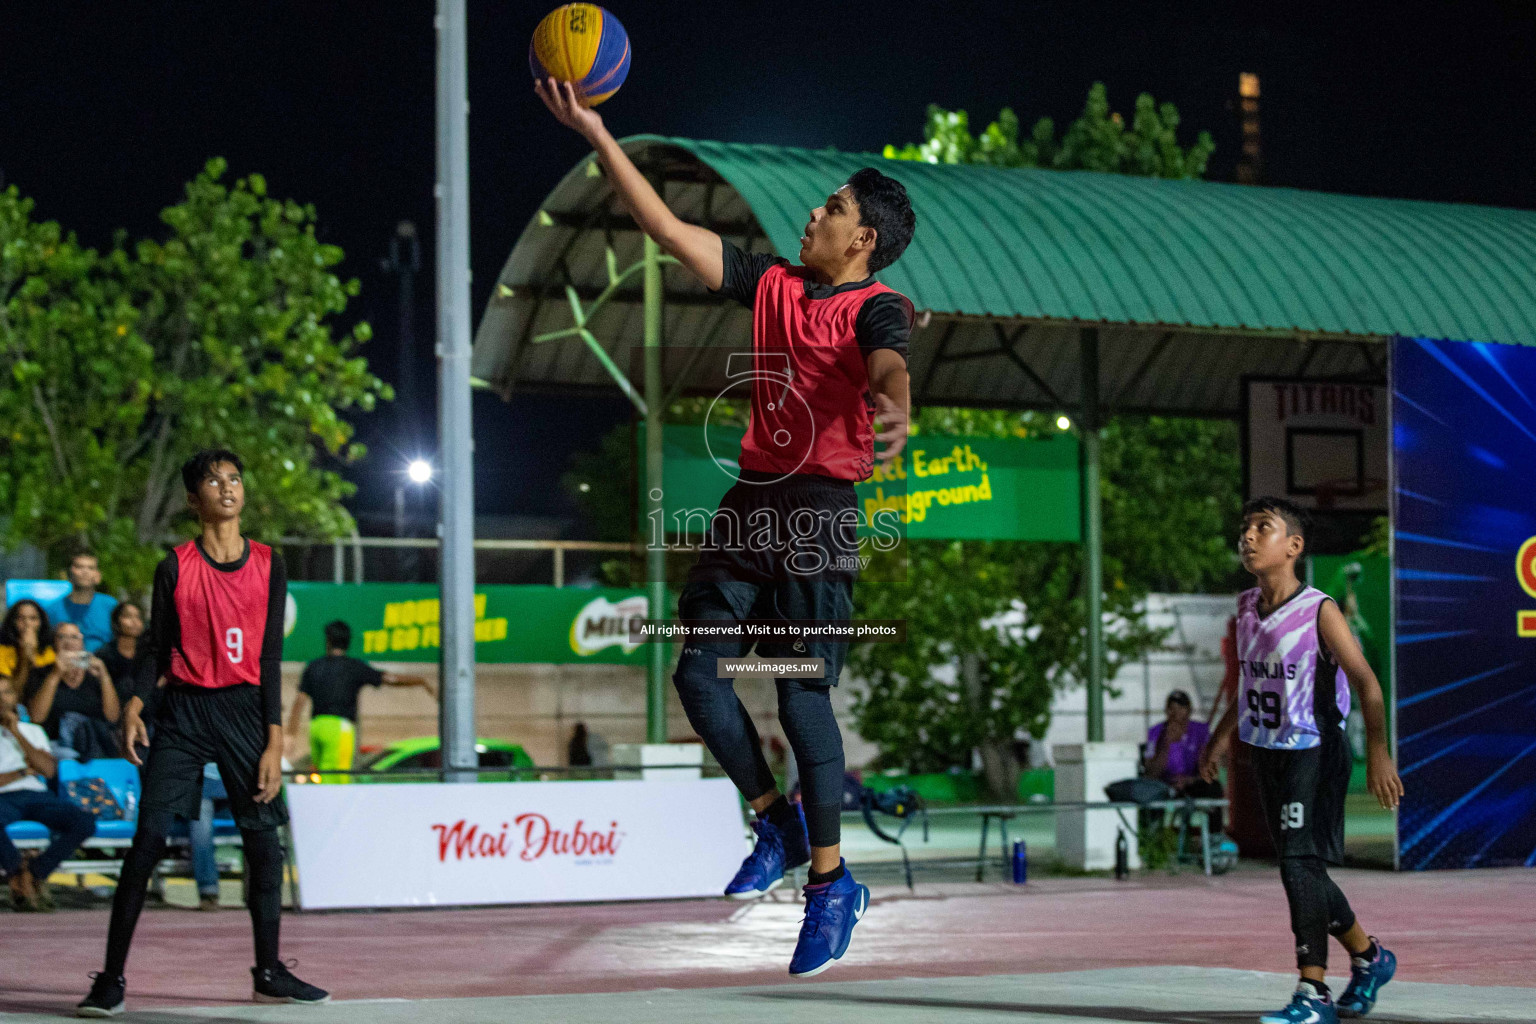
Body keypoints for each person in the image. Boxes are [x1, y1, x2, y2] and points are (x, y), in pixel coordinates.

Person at [537, 78, 915, 977]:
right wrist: (597, 131)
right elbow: (669, 231)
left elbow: (892, 365)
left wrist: (894, 406)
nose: (814, 214)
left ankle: (833, 887)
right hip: (751, 506)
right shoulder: (772, 280)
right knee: (700, 675)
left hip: (819, 516)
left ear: (861, 239)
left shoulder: (877, 306)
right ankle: (775, 817)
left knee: (796, 693)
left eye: (832, 208)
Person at [77, 448, 329, 1017]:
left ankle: (269, 972)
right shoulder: (175, 565)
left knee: (264, 843)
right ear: (195, 500)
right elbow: (158, 649)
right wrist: (138, 701)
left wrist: (273, 737)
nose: (227, 487)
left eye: (235, 478)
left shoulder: (270, 563)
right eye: (214, 481)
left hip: (245, 711)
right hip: (185, 714)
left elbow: (269, 657)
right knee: (146, 842)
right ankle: (111, 979)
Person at [1200, 498, 1403, 1024]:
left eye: (1262, 528)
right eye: (1244, 527)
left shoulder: (1320, 609)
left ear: (1293, 546)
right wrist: (1220, 737)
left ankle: (1313, 992)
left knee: (1296, 865)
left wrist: (1378, 753)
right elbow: (1250, 681)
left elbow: (1367, 684)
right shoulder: (1246, 607)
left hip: (1313, 749)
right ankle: (1370, 957)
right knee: (1303, 866)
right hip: (1267, 751)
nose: (1247, 536)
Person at [285, 620, 435, 779]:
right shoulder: (354, 667)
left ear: (328, 641)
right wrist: (420, 681)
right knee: (337, 778)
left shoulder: (314, 666)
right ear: (348, 642)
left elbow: (299, 701)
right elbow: (390, 679)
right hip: (339, 728)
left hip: (316, 726)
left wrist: (291, 734)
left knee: (320, 774)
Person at [1, 675, 97, 912]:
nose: (3, 699)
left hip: (37, 796)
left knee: (83, 822)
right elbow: (33, 768)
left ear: (15, 698)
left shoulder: (32, 731)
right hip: (4, 799)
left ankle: (35, 871)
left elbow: (48, 770)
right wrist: (24, 770)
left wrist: (15, 732)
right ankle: (17, 873)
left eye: (7, 693)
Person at [23, 621, 120, 757]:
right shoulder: (41, 673)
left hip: (93, 744)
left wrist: (104, 676)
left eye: (74, 637)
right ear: (54, 643)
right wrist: (55, 674)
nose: (68, 642)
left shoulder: (95, 675)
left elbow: (113, 717)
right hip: (54, 744)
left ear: (83, 643)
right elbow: (37, 717)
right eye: (62, 637)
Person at [1144, 690, 1224, 833]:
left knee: (1214, 788)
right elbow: (1150, 773)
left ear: (1189, 710)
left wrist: (1188, 780)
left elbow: (1209, 767)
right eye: (1171, 708)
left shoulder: (1200, 731)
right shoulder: (1156, 732)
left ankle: (1214, 837)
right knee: (1148, 792)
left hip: (1191, 783)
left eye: (1181, 708)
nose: (1175, 713)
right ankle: (1152, 837)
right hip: (1165, 785)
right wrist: (1166, 744)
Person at [43, 551, 118, 652]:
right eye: (79, 567)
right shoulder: (52, 610)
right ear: (69, 573)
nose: (85, 572)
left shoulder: (111, 606)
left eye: (91, 568)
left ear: (98, 576)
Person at [0, 599, 57, 691]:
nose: (27, 623)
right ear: (12, 622)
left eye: (33, 618)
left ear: (41, 622)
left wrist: (32, 653)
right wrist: (24, 657)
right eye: (21, 618)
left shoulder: (49, 650)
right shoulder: (2, 651)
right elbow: (11, 694)